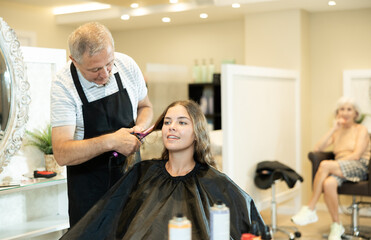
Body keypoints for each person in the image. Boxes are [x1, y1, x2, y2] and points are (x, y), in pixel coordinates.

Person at [60, 100, 271, 240]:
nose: (171, 127)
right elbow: (105, 220)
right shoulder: (142, 174)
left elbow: (251, 223)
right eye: (168, 122)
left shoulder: (216, 183)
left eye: (182, 122)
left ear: (197, 133)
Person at [51, 22, 153, 227]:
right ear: (74, 61)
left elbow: (145, 107)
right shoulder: (63, 85)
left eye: (109, 64)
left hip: (131, 183)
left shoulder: (127, 65)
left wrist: (139, 129)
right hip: (89, 195)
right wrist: (112, 141)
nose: (105, 74)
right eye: (95, 69)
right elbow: (62, 153)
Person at [291, 97, 370, 240]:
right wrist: (333, 129)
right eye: (342, 109)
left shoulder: (361, 129)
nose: (345, 112)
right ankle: (337, 225)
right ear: (337, 113)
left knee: (325, 165)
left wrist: (333, 165)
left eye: (349, 109)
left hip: (360, 167)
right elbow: (317, 148)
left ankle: (310, 208)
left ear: (355, 114)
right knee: (328, 183)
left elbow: (357, 155)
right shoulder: (337, 131)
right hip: (340, 167)